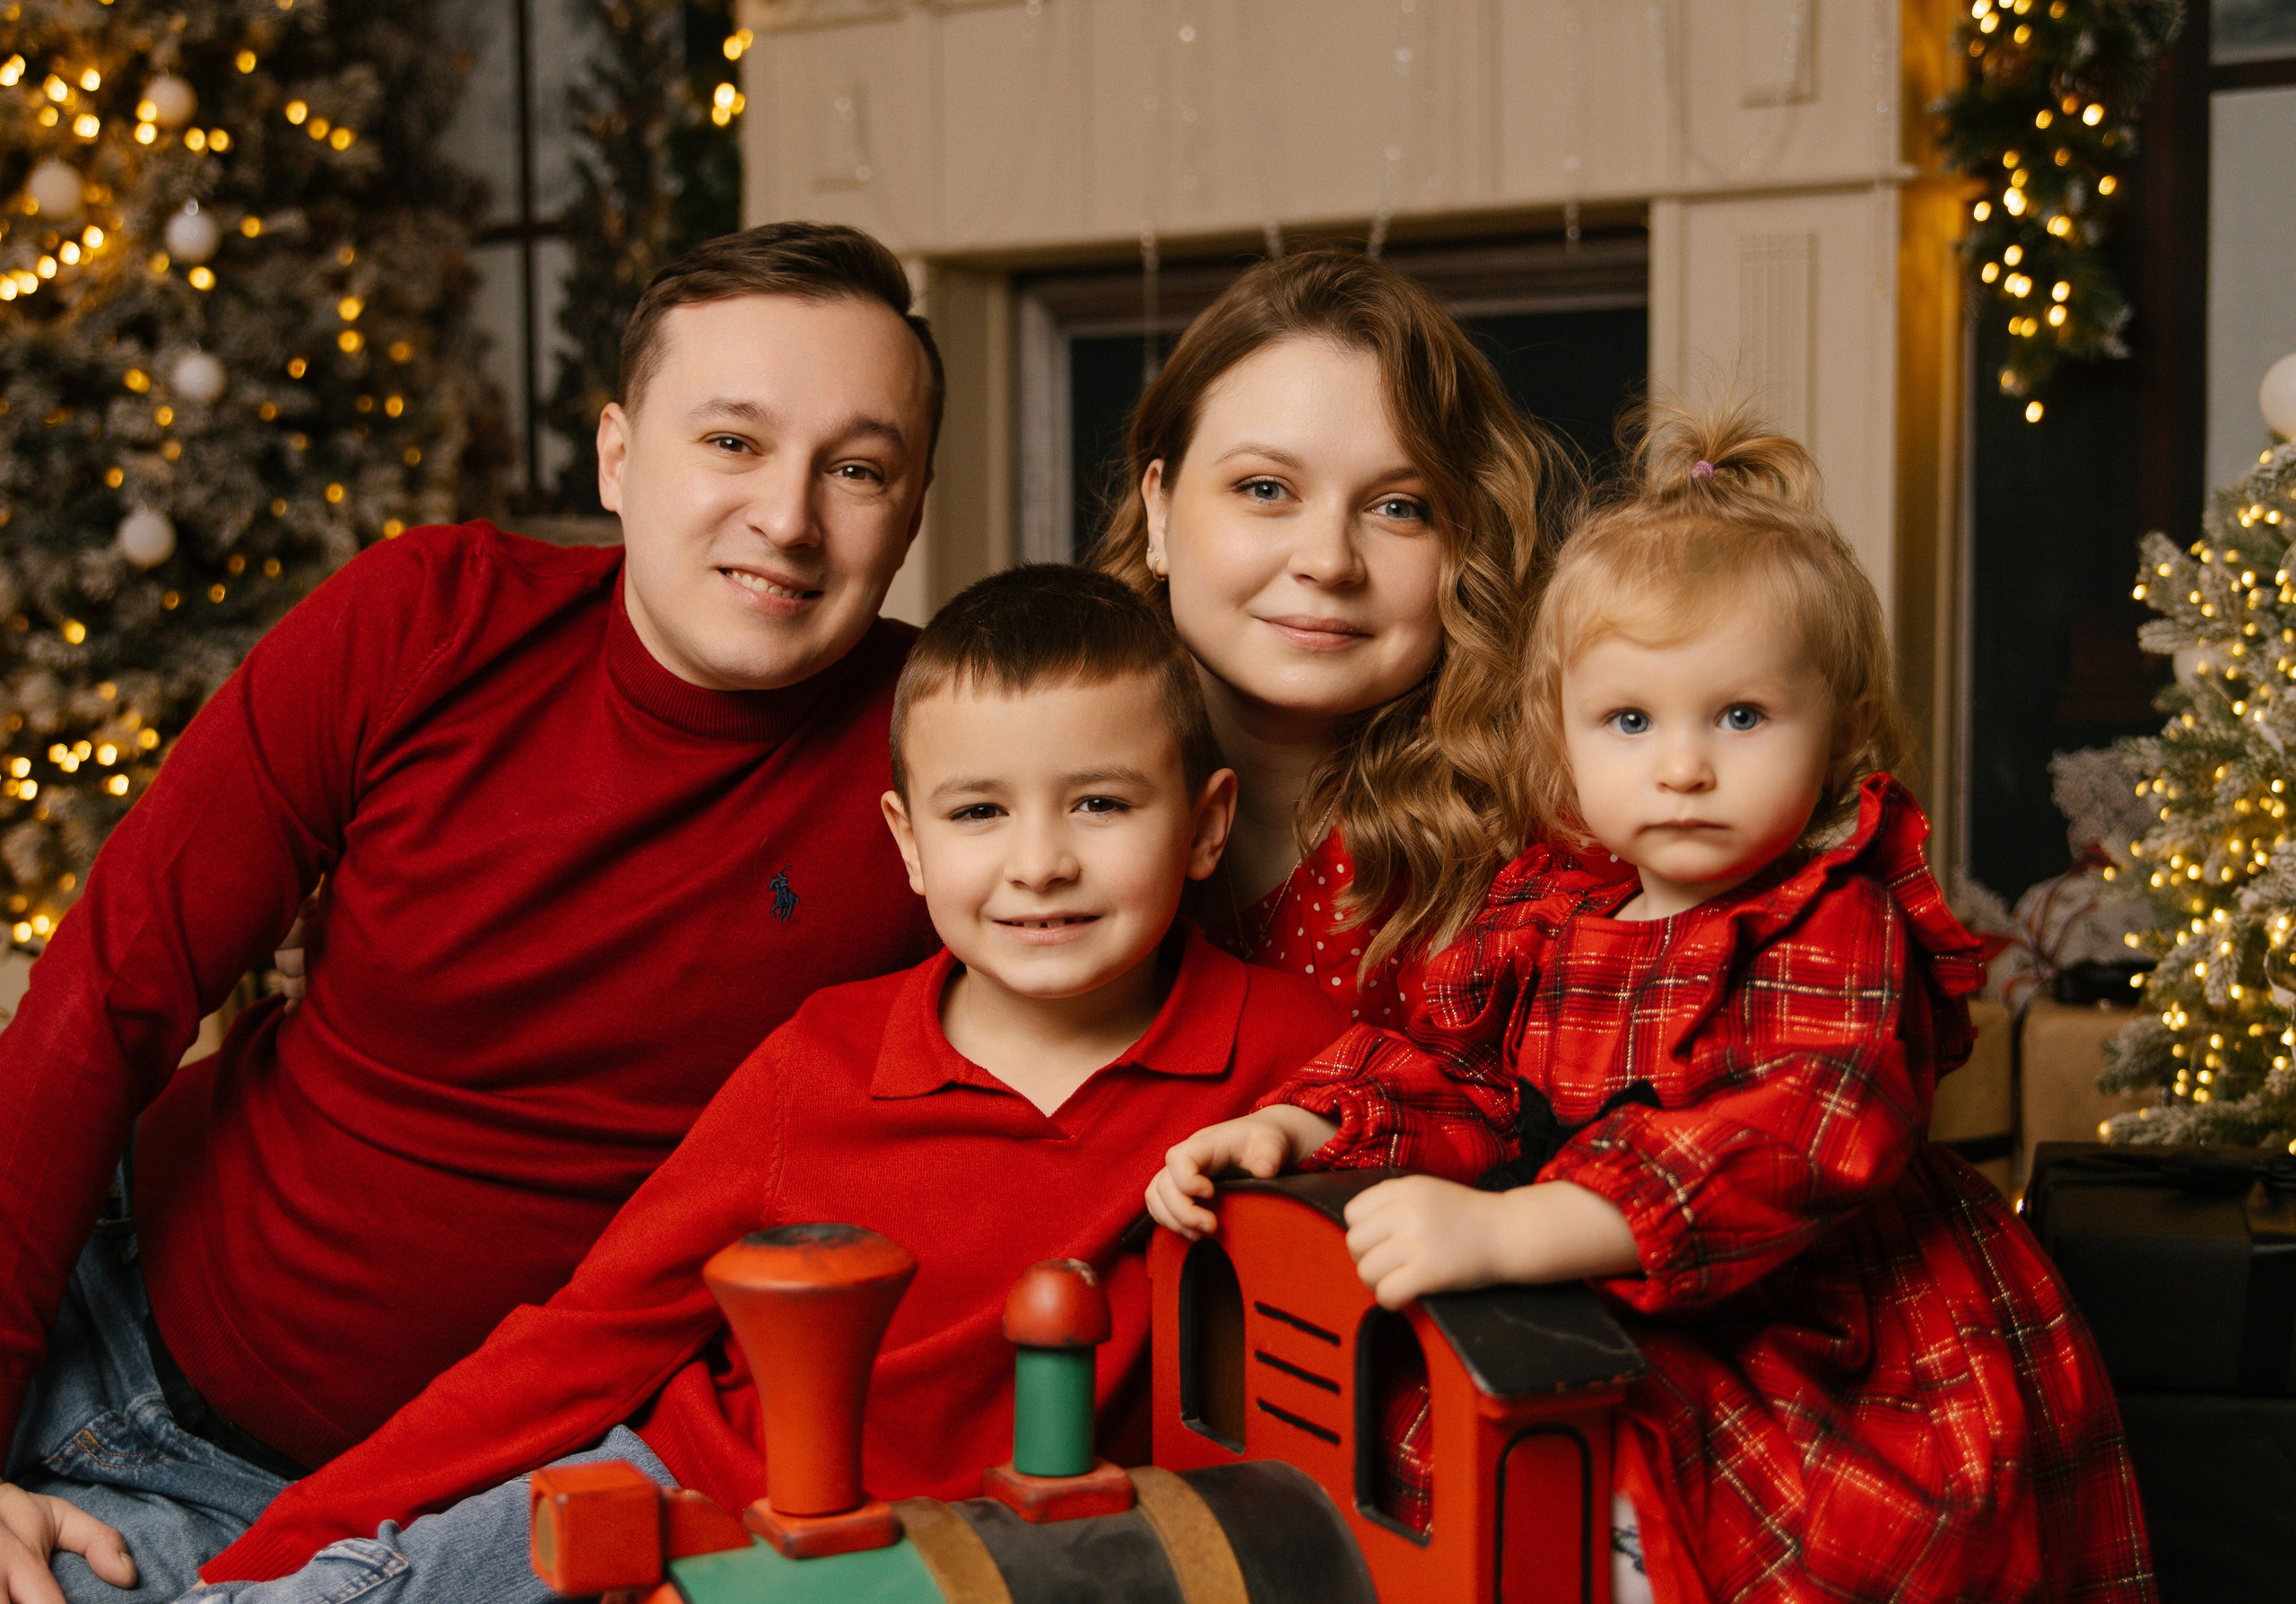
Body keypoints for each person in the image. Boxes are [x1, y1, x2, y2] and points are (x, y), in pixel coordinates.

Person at [0, 222, 946, 1604]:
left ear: (912, 511)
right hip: (108, 1318)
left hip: (455, 1523)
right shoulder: (424, 622)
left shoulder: (954, 767)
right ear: (619, 456)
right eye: (732, 443)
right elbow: (108, 990)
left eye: (857, 469)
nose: (789, 519)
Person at [171, 564, 1344, 1601]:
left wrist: (1305, 1121)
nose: (1039, 862)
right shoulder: (819, 1065)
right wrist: (284, 1541)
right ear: (909, 845)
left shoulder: (1291, 1054)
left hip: (1001, 1560)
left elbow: (1474, 1127)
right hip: (692, 1497)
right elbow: (585, 1341)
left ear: (1204, 825)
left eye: (1100, 803)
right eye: (979, 811)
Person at [1150, 405, 2155, 1604]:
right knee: (1440, 1432)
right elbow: (1453, 1068)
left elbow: (1802, 1131)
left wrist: (1527, 1229)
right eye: (1630, 720)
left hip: (1813, 1334)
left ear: (1837, 734)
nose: (1683, 766)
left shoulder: (1833, 915)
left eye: (1741, 717)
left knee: (1786, 1529)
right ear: (1562, 736)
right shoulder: (1548, 909)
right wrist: (1312, 1125)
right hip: (1604, 1298)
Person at [1091, 248, 1565, 1029]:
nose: (1329, 562)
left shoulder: (1544, 839)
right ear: (1161, 511)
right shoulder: (1008, 783)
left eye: (1399, 508)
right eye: (1266, 489)